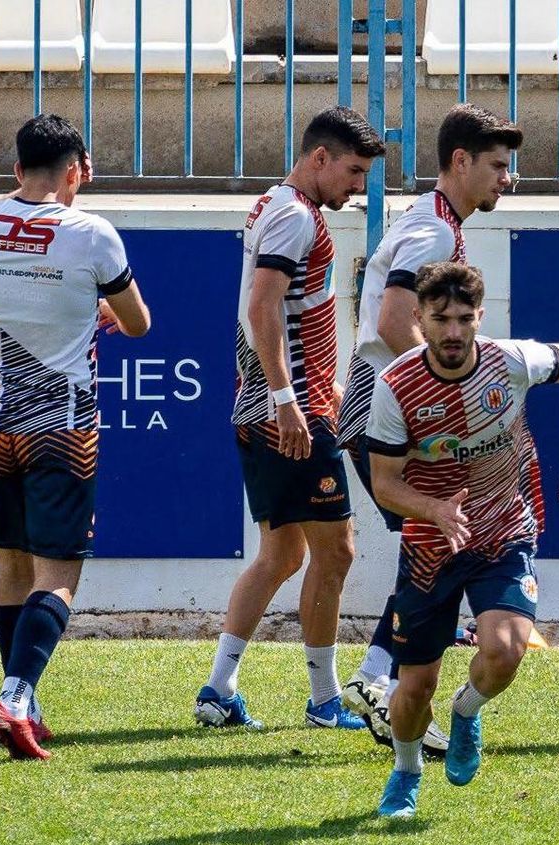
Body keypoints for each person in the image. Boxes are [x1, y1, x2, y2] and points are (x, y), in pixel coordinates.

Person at [368, 261, 559, 818]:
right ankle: (405, 772)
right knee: (412, 692)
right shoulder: (396, 385)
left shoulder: (511, 361)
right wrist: (433, 510)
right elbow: (383, 483)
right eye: (440, 318)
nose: (453, 331)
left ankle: (467, 712)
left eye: (464, 319)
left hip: (503, 534)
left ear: (481, 318)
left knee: (505, 650)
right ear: (420, 318)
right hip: (429, 548)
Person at [334, 104, 524, 755]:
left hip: (381, 400)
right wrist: (453, 396)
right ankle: (376, 679)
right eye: (497, 166)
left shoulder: (435, 220)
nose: (508, 179)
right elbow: (393, 321)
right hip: (391, 407)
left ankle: (374, 678)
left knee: (441, 546)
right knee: (446, 545)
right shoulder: (437, 235)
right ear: (461, 161)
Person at [0, 114, 152, 760]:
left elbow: (11, 287)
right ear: (78, 172)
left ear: (17, 169)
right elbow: (137, 322)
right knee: (58, 574)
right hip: (61, 426)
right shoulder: (92, 234)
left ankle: (25, 701)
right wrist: (95, 306)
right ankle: (15, 696)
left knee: (11, 567)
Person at [194, 107, 385, 731]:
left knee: (281, 555)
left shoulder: (275, 206)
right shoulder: (294, 216)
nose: (358, 187)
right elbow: (262, 305)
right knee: (338, 552)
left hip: (275, 407)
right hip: (288, 415)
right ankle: (325, 700)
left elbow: (276, 308)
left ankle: (219, 689)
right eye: (353, 172)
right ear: (319, 158)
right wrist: (287, 398)